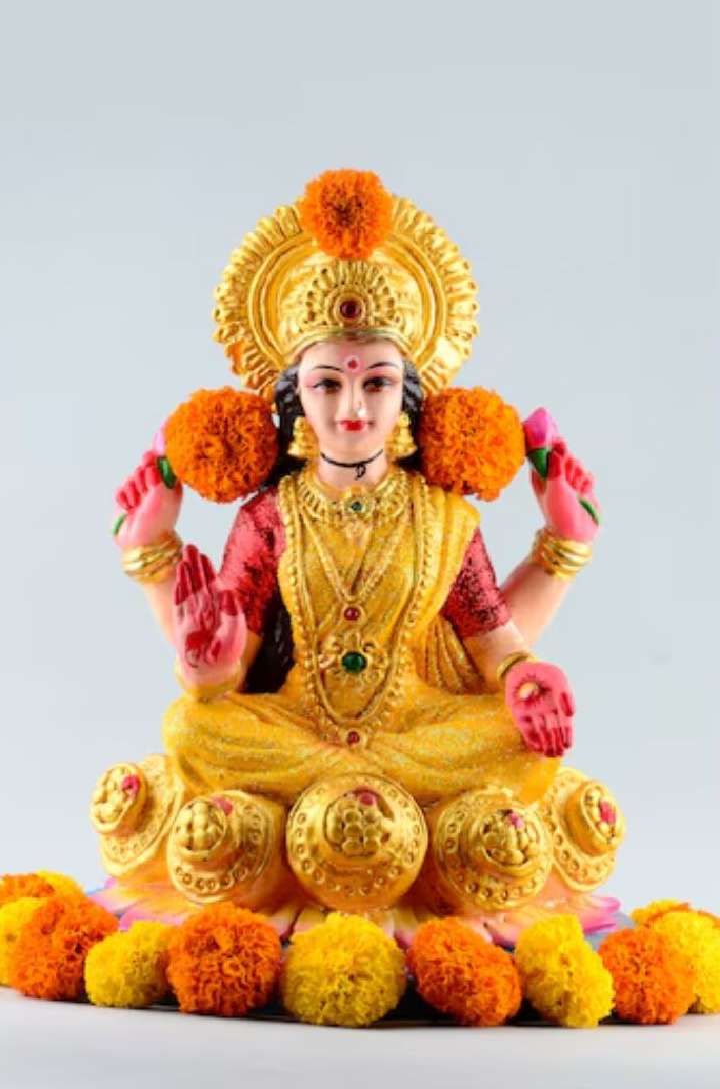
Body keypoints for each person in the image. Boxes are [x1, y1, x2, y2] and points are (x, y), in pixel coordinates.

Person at [96, 170, 623, 934]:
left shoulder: (443, 517)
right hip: (296, 728)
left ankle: (345, 823)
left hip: (416, 730)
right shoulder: (269, 517)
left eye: (376, 384)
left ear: (405, 396)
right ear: (296, 399)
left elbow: (493, 645)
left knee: (520, 742)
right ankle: (370, 819)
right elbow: (227, 670)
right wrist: (206, 662)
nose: (352, 409)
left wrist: (527, 674)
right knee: (190, 726)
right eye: (327, 386)